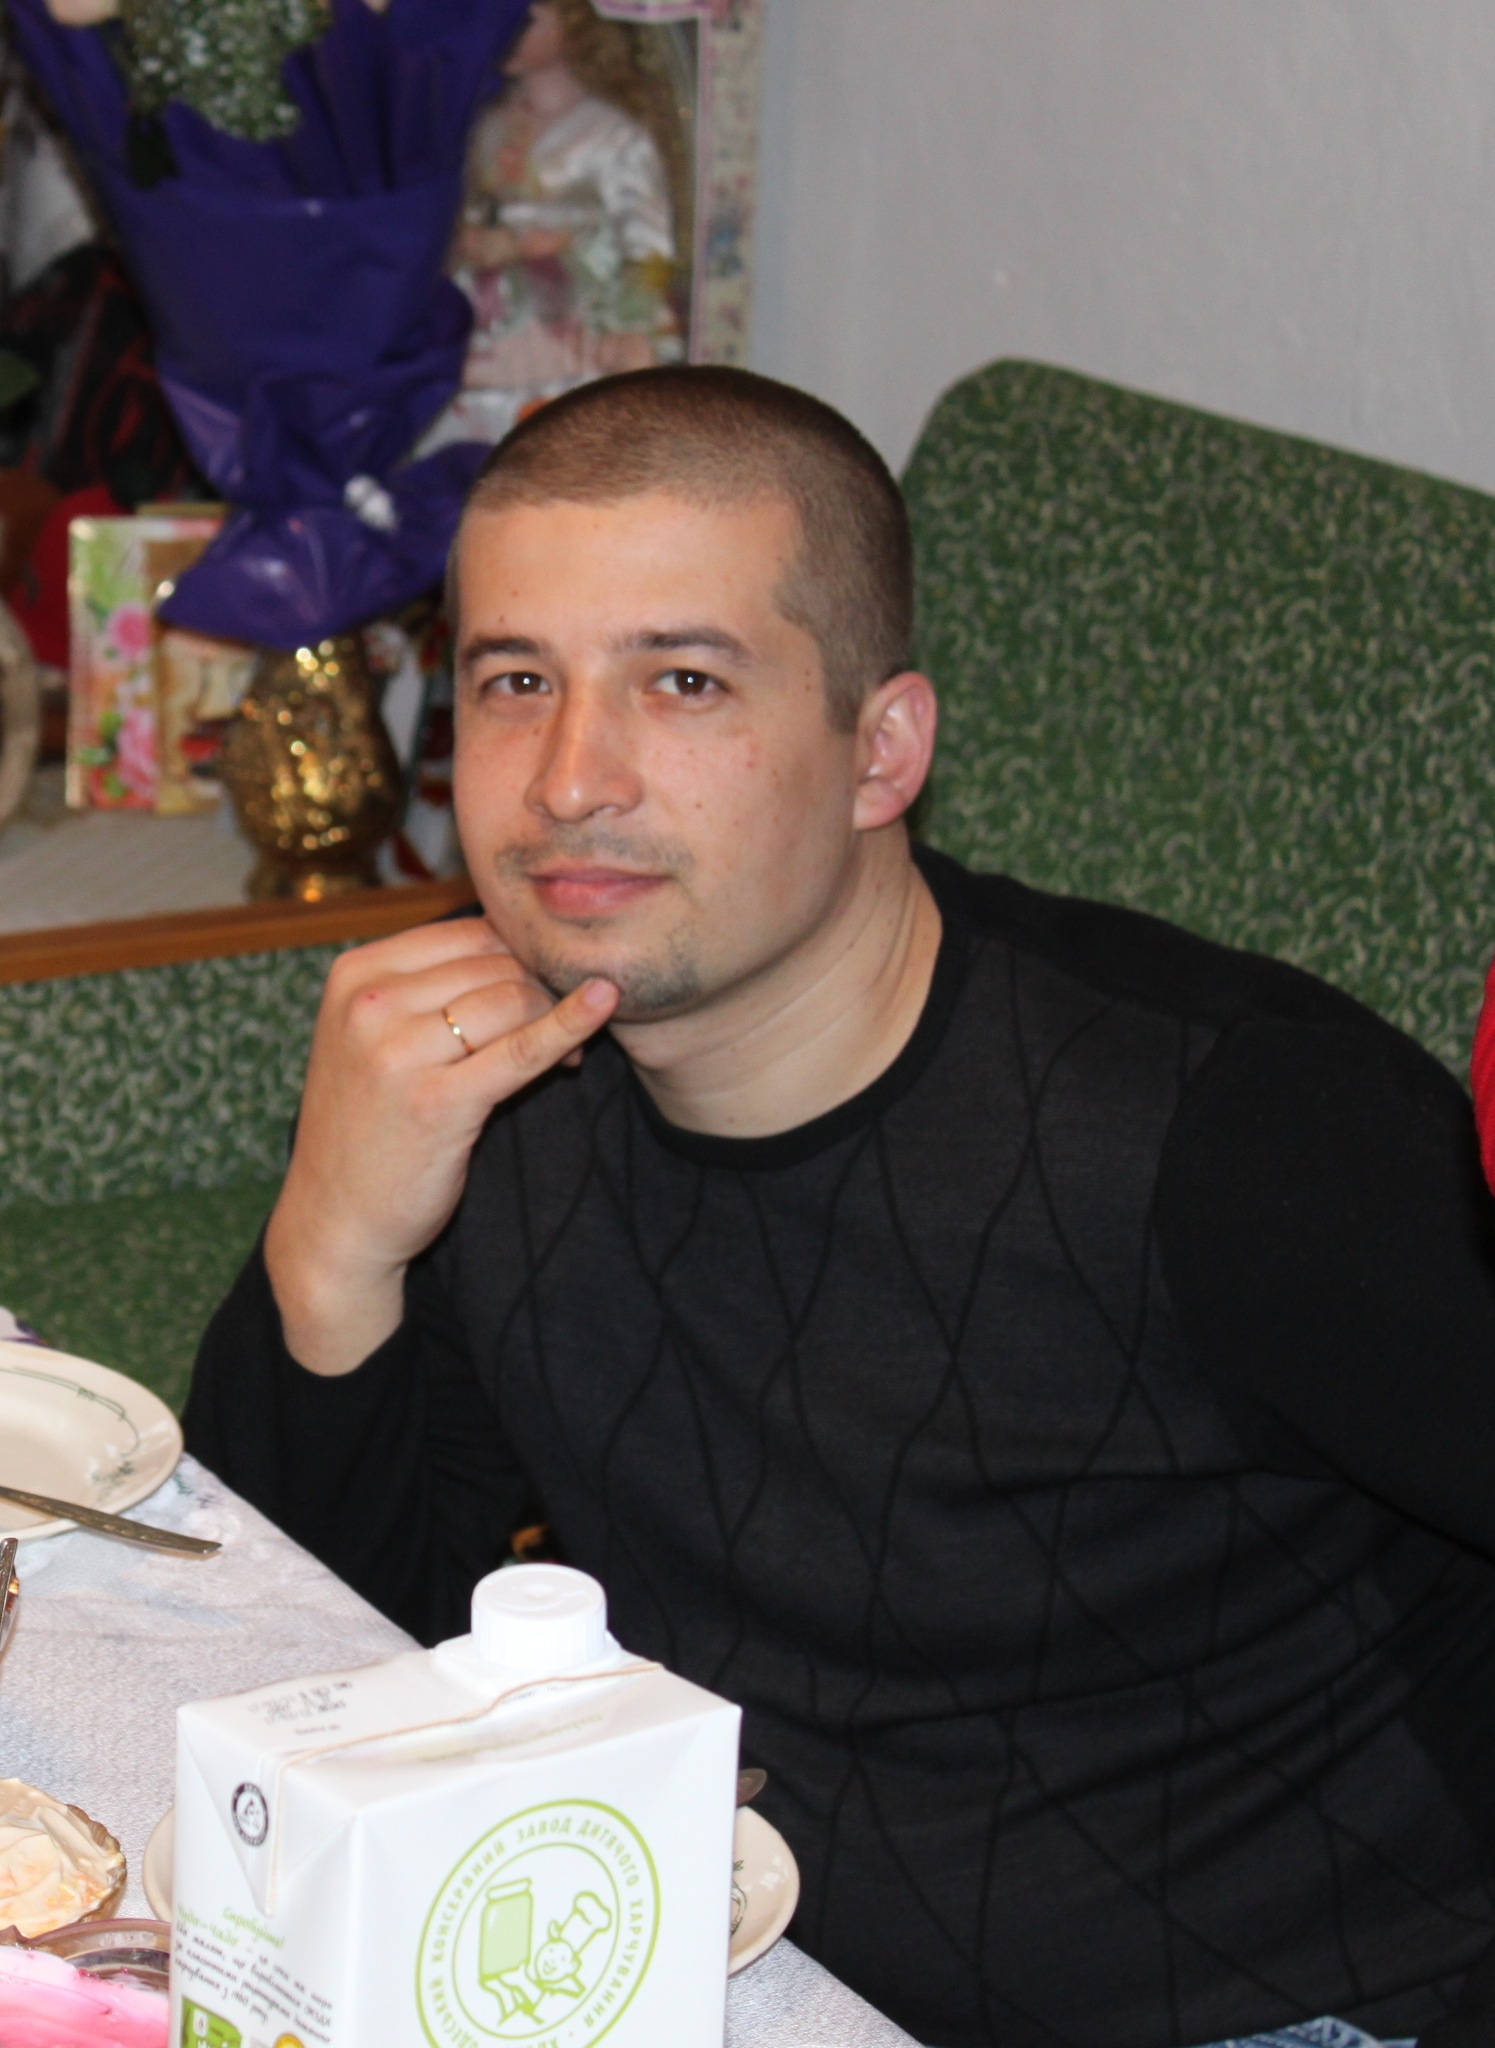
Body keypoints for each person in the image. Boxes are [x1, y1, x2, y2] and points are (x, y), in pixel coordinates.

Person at [187, 366, 1495, 2048]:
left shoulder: (1235, 1129)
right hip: (712, 1963)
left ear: (881, 750)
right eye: (516, 681)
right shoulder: (504, 1085)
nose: (570, 779)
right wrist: (332, 1242)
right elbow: (324, 1678)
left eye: (682, 680)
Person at [419, 0, 685, 455]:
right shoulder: (486, 125)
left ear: (576, 24)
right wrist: (470, 241)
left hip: (570, 312)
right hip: (485, 309)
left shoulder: (611, 134)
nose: (507, 29)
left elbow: (647, 243)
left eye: (528, 18)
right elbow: (465, 213)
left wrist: (632, 323)